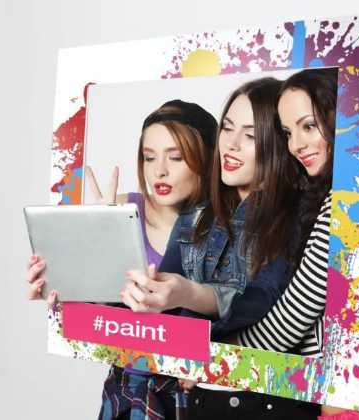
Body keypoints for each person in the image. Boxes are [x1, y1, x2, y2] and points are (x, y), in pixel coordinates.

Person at [124, 77, 320, 419]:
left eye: (250, 136)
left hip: (269, 401)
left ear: (277, 143)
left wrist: (191, 303)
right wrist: (77, 289)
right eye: (227, 128)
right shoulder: (196, 216)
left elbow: (263, 301)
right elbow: (161, 307)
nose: (231, 144)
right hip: (202, 401)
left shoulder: (299, 213)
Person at [26, 99, 218, 420]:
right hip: (126, 389)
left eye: (175, 157)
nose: (159, 170)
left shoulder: (226, 224)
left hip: (197, 394)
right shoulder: (121, 209)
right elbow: (97, 307)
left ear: (207, 159)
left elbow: (237, 313)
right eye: (149, 157)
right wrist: (62, 284)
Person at [236, 68, 359, 418]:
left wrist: (213, 357)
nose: (295, 145)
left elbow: (292, 318)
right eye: (288, 132)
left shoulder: (355, 198)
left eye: (308, 126)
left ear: (342, 121)